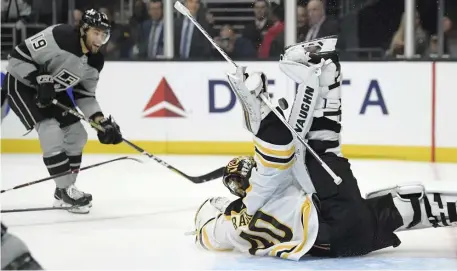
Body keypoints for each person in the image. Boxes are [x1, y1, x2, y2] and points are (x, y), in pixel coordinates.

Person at [191, 36, 457, 259]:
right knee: (319, 152)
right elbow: (280, 148)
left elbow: (207, 233)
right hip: (333, 223)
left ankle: (328, 75)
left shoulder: (230, 227)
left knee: (402, 204)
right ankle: (329, 72)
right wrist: (258, 109)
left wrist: (263, 111)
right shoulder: (262, 192)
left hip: (345, 240)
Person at [1, 9, 123, 214]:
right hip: (21, 84)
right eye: (96, 33)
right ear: (83, 29)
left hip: (52, 90)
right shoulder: (59, 37)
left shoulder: (95, 61)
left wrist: (101, 121)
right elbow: (16, 57)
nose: (100, 39)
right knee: (50, 129)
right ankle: (67, 189)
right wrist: (37, 79)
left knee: (77, 135)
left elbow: (85, 95)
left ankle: (64, 192)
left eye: (104, 35)